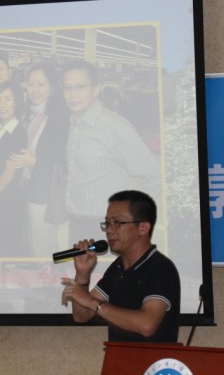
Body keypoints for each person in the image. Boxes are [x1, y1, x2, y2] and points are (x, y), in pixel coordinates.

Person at [61, 190, 180, 342]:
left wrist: (92, 302)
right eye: (107, 223)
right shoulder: (117, 267)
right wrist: (83, 275)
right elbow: (81, 316)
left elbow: (147, 325)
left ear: (143, 228)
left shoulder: (161, 268)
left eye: (117, 223)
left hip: (153, 358)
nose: (109, 230)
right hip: (118, 356)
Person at [61, 59, 160, 242]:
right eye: (68, 88)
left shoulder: (115, 127)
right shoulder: (72, 124)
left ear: (96, 89)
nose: (73, 94)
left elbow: (152, 175)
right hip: (76, 224)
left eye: (81, 86)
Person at [10, 63, 69, 257]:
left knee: (44, 244)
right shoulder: (29, 113)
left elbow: (62, 157)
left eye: (41, 84)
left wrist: (34, 161)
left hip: (44, 191)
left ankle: (49, 275)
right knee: (32, 239)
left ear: (52, 87)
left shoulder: (59, 116)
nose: (34, 90)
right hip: (27, 185)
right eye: (31, 84)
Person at [0, 80, 28, 257]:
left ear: (16, 102)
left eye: (8, 99)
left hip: (9, 199)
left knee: (9, 246)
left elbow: (9, 173)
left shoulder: (17, 132)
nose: (2, 104)